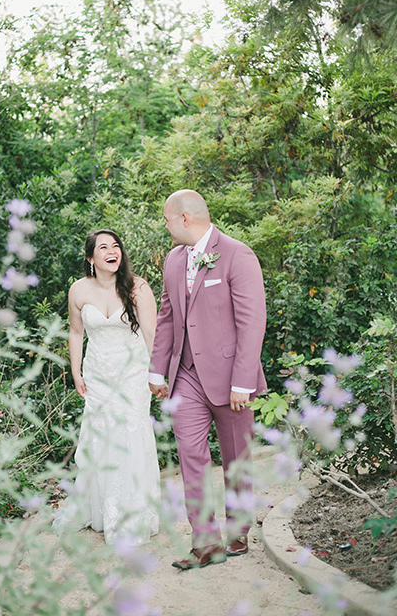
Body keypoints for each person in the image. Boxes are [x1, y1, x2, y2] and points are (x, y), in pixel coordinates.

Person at [149, 190, 267, 569]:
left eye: (167, 219)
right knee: (191, 457)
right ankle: (205, 542)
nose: (165, 226)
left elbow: (252, 322)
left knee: (236, 458)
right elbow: (167, 317)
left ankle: (238, 532)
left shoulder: (236, 254)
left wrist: (243, 381)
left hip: (232, 378)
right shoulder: (172, 260)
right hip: (185, 377)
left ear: (185, 219)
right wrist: (157, 369)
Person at [54, 229, 160, 545]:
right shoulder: (78, 290)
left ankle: (131, 513)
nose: (112, 251)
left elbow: (152, 335)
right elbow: (75, 333)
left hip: (133, 375)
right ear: (91, 258)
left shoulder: (138, 287)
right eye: (104, 247)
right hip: (97, 376)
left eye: (116, 246)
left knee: (128, 437)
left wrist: (159, 375)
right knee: (99, 439)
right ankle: (99, 509)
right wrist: (76, 372)